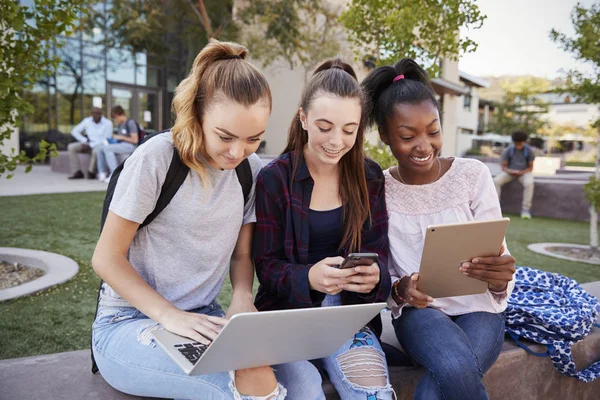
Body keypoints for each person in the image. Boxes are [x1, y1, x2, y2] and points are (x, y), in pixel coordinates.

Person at [91, 39, 314, 400]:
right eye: (225, 136)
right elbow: (106, 257)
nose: (237, 152)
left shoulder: (248, 171)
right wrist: (169, 315)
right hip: (128, 323)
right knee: (234, 384)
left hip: (204, 318)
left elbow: (242, 256)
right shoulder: (157, 159)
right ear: (197, 115)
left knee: (305, 381)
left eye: (253, 139)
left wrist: (242, 295)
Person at [361, 59, 516, 400]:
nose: (424, 145)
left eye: (433, 131)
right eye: (407, 135)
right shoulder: (378, 188)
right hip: (421, 311)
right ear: (385, 135)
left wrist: (501, 276)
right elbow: (382, 275)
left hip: (479, 307)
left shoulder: (472, 175)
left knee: (442, 382)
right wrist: (401, 290)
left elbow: (498, 253)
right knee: (456, 366)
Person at [253, 58, 394, 399]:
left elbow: (381, 260)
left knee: (371, 393)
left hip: (347, 318)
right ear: (303, 118)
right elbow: (266, 267)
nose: (336, 141)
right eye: (324, 127)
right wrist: (308, 278)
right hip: (285, 316)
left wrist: (375, 277)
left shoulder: (370, 176)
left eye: (349, 130)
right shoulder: (275, 179)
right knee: (305, 392)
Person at [493, 131, 535, 219]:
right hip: (510, 172)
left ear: (524, 142)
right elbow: (503, 167)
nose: (518, 146)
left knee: (529, 183)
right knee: (496, 181)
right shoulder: (508, 150)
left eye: (520, 143)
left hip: (524, 173)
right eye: (516, 144)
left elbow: (530, 168)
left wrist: (521, 172)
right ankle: (495, 208)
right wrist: (510, 171)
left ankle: (525, 209)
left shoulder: (529, 151)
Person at [96, 105, 140, 182]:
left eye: (115, 118)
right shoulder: (120, 125)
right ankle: (101, 173)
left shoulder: (130, 123)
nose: (115, 120)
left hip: (131, 146)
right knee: (100, 147)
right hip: (122, 145)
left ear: (120, 115)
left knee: (107, 149)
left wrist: (121, 137)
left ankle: (114, 174)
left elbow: (135, 140)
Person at [68, 107, 113, 179]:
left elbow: (107, 139)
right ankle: (77, 172)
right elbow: (74, 131)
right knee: (71, 147)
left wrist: (90, 145)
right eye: (94, 113)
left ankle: (91, 172)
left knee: (96, 150)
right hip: (87, 143)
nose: (96, 115)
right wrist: (84, 140)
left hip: (99, 145)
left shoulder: (108, 123)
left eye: (98, 113)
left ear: (101, 114)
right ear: (91, 114)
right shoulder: (87, 121)